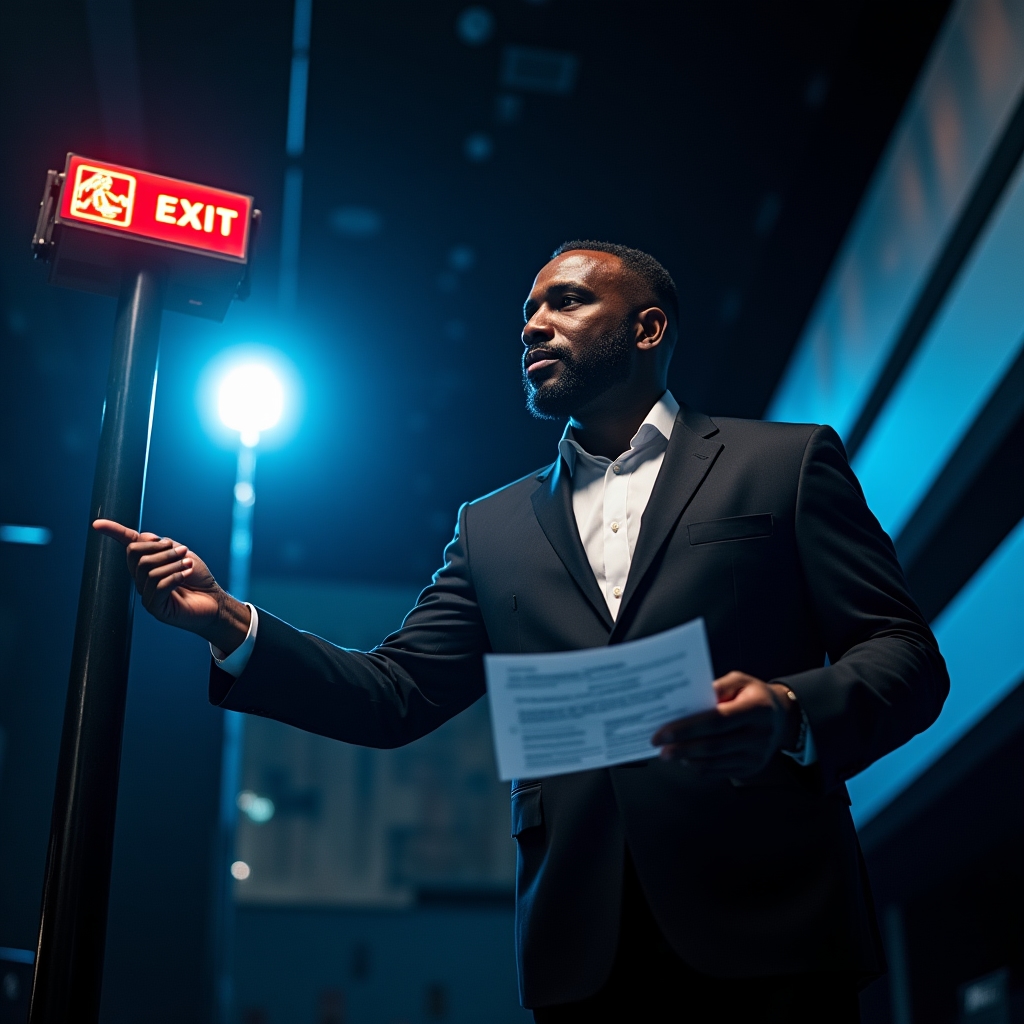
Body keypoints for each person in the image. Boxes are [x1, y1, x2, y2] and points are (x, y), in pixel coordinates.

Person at [95, 241, 948, 1023]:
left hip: (775, 925)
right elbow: (394, 694)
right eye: (529, 311)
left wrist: (789, 711)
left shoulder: (785, 463)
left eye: (566, 302)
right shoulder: (491, 526)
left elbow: (905, 653)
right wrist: (230, 621)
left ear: (648, 328)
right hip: (583, 951)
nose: (533, 325)